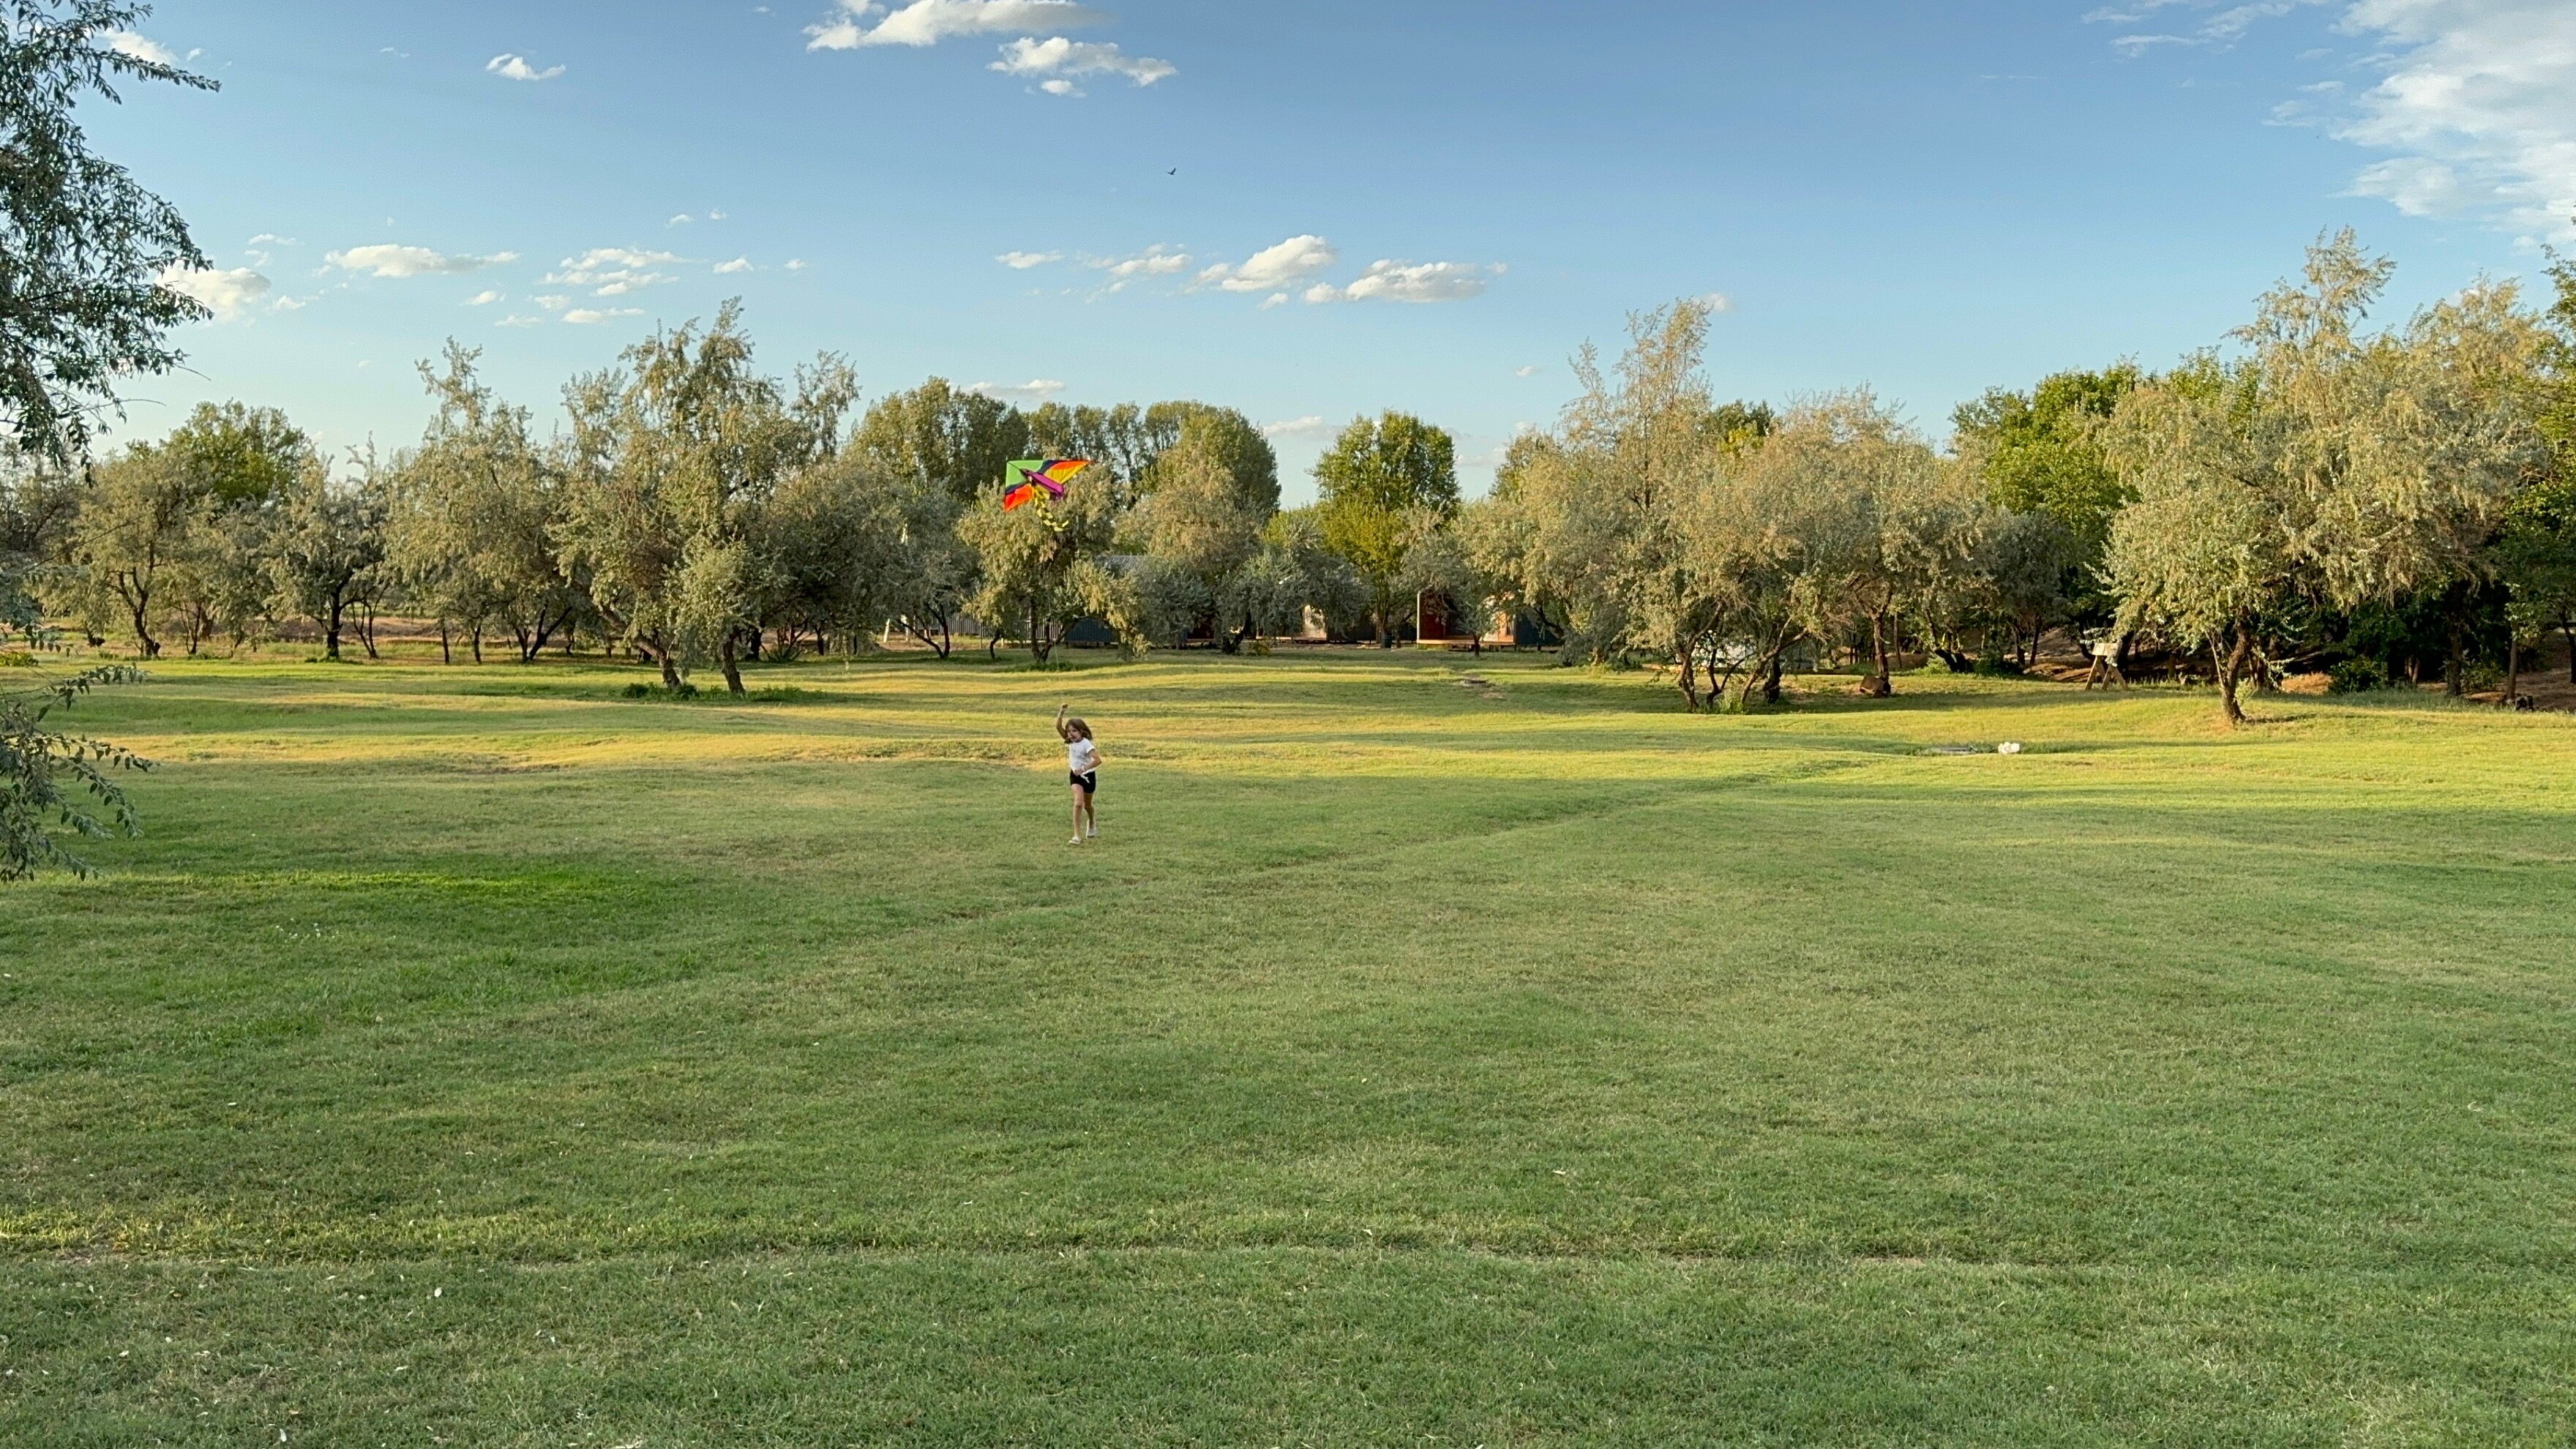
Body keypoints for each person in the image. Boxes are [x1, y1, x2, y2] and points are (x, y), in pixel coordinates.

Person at [1057, 705, 1100, 845]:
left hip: (1089, 776)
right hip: (1075, 776)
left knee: (1088, 805)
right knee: (1078, 803)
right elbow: (1058, 727)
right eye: (1069, 731)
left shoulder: (1086, 744)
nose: (1071, 734)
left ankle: (1092, 822)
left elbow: (1097, 760)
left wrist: (1084, 768)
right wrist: (1061, 712)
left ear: (1082, 731)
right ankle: (1076, 835)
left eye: (1074, 731)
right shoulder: (1070, 741)